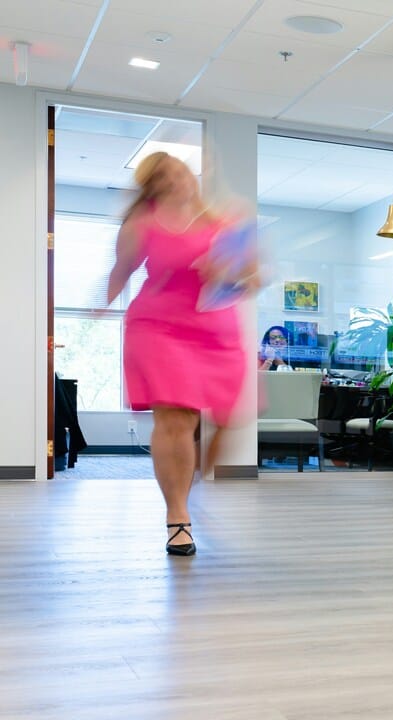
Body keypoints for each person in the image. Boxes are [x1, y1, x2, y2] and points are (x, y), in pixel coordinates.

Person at [107, 152, 255, 557]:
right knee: (176, 416)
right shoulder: (143, 224)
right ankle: (178, 518)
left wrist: (225, 273)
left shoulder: (227, 223)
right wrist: (103, 302)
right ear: (151, 186)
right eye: (164, 176)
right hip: (159, 328)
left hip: (216, 333)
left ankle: (190, 475)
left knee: (229, 418)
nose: (175, 180)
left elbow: (252, 279)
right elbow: (122, 269)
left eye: (180, 172)